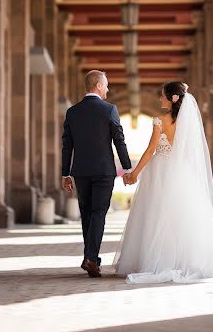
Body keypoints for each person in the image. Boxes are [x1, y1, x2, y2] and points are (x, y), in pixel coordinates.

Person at [114, 81, 213, 283]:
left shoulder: (160, 121)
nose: (160, 98)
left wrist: (135, 173)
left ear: (172, 98)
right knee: (185, 215)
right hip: (183, 172)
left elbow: (150, 150)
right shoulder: (189, 123)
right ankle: (186, 259)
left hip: (161, 171)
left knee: (158, 215)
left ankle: (160, 260)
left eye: (162, 95)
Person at [62, 69, 132, 278]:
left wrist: (66, 173)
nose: (108, 88)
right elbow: (119, 140)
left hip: (81, 171)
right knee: (98, 213)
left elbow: (67, 146)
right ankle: (91, 258)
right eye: (107, 84)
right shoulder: (109, 109)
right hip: (103, 171)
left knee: (87, 214)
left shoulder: (72, 112)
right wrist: (127, 169)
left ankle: (90, 257)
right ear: (98, 85)